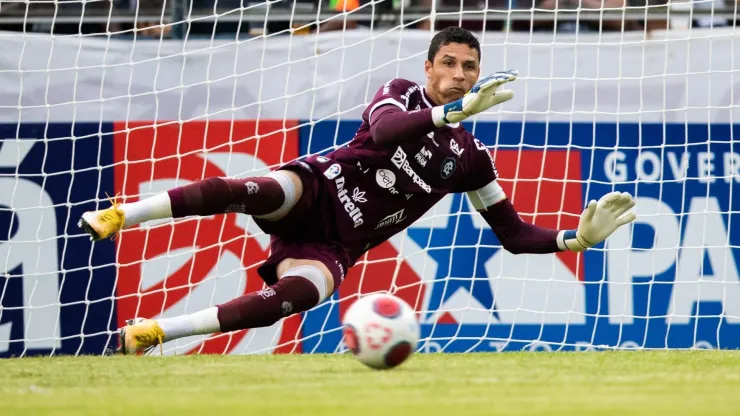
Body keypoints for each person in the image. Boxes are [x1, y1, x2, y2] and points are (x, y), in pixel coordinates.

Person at [78, 26, 636, 355]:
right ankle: (123, 214)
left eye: (470, 67)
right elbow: (388, 133)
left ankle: (153, 333)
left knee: (303, 294)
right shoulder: (399, 95)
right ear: (428, 67)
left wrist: (575, 239)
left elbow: (512, 234)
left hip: (335, 244)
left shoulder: (469, 158)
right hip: (318, 188)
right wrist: (452, 111)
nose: (460, 74)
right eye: (449, 63)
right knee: (260, 188)